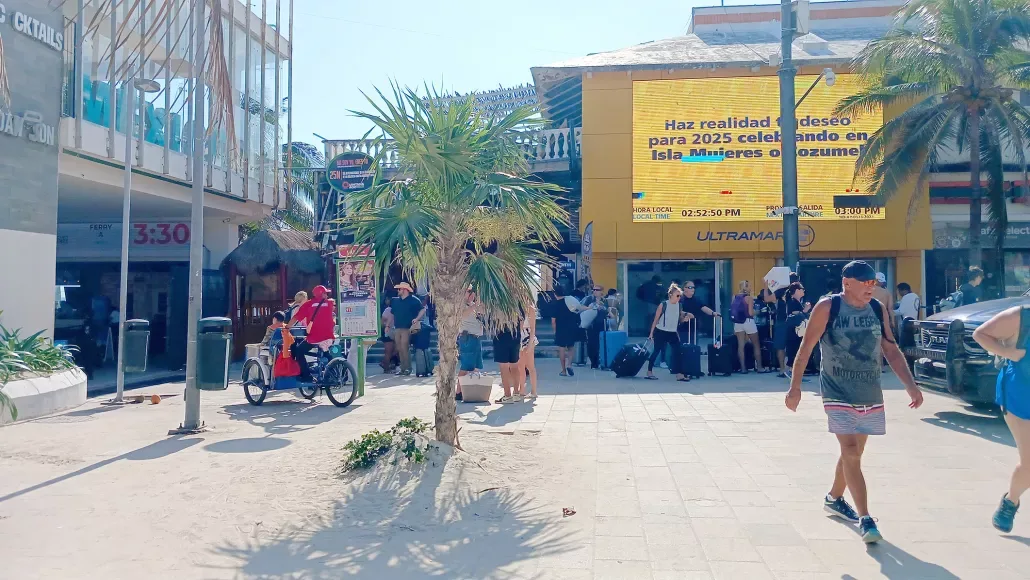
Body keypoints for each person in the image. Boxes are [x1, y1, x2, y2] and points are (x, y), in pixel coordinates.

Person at [785, 260, 923, 545]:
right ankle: (866, 518)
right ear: (847, 283)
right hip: (836, 390)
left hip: (869, 391)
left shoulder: (877, 308)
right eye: (866, 283)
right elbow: (807, 346)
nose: (872, 287)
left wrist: (911, 385)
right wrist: (794, 387)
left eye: (874, 283)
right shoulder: (828, 307)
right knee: (849, 450)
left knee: (854, 453)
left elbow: (891, 349)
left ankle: (834, 498)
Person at [973, 305, 1030, 533]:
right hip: (1020, 395)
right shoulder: (1020, 316)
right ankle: (1010, 502)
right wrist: (1009, 353)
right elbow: (980, 334)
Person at [287, 285, 336, 381]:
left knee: (299, 350)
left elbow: (296, 318)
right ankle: (335, 371)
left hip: (315, 337)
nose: (327, 295)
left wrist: (287, 327)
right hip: (329, 337)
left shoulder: (308, 304)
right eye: (325, 293)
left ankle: (307, 376)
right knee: (326, 352)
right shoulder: (330, 303)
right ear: (322, 294)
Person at [646, 284, 690, 382]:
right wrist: (651, 333)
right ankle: (649, 372)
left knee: (678, 352)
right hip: (661, 331)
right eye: (677, 295)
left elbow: (678, 320)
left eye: (680, 296)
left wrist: (684, 319)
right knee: (656, 351)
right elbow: (656, 319)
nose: (679, 298)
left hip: (672, 332)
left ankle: (679, 374)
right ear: (671, 295)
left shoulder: (679, 306)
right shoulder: (663, 305)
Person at [731, 280, 768, 374]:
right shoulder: (749, 298)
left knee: (741, 346)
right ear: (746, 288)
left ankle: (743, 368)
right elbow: (751, 313)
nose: (750, 288)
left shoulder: (734, 297)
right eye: (749, 286)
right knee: (756, 344)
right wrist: (758, 312)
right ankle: (759, 367)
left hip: (738, 323)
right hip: (748, 322)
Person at [390, 282, 426, 376]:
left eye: (399, 289)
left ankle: (408, 368)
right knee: (399, 348)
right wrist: (388, 326)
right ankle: (403, 368)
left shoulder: (414, 300)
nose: (398, 291)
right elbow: (392, 313)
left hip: (408, 327)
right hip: (397, 327)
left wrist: (417, 319)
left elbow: (422, 309)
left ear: (405, 290)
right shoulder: (395, 301)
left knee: (404, 347)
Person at [456, 288, 485, 401]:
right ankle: (458, 392)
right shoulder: (461, 305)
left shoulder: (473, 305)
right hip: (467, 338)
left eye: (473, 293)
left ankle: (470, 390)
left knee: (475, 366)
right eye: (469, 292)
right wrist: (474, 306)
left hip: (476, 338)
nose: (472, 295)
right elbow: (463, 315)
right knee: (466, 366)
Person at [776, 282, 810, 378]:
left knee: (796, 352)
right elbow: (794, 314)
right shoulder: (791, 301)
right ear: (797, 290)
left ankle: (794, 373)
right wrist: (806, 310)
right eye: (802, 289)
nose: (803, 290)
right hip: (793, 332)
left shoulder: (797, 302)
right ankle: (790, 372)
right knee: (794, 352)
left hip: (798, 332)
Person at [552, 285, 586, 377]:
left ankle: (563, 370)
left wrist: (555, 331)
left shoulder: (555, 304)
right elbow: (578, 310)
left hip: (561, 328)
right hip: (572, 327)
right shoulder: (570, 300)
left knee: (562, 348)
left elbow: (553, 321)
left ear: (555, 294)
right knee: (571, 347)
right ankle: (569, 364)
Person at [493, 319, 523, 404]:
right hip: (515, 336)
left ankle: (507, 395)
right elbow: (521, 322)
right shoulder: (519, 306)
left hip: (501, 336)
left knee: (504, 367)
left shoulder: (498, 305)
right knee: (514, 366)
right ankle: (516, 394)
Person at [582, 284, 608, 369]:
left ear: (602, 292)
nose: (595, 291)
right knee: (592, 344)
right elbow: (583, 309)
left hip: (602, 324)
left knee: (600, 343)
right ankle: (594, 362)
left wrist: (602, 307)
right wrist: (591, 307)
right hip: (592, 325)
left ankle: (599, 360)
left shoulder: (605, 301)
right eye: (594, 290)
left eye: (597, 290)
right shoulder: (589, 299)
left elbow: (608, 311)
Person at [518, 303, 539, 400]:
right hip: (518, 337)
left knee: (530, 366)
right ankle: (521, 390)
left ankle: (534, 391)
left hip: (527, 336)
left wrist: (530, 343)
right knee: (520, 366)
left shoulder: (530, 308)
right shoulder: (514, 306)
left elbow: (533, 328)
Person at [380, 299, 397, 374]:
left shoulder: (397, 309)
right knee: (388, 351)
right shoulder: (388, 310)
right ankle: (386, 366)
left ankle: (384, 363)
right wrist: (386, 326)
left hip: (395, 331)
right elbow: (382, 321)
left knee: (396, 350)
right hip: (387, 331)